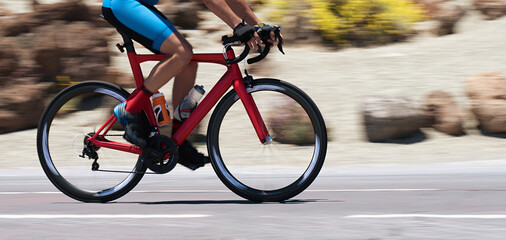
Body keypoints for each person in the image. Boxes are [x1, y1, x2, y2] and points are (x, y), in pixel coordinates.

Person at [101, 0, 277, 170]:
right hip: (123, 4)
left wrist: (260, 27)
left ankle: (177, 139)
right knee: (182, 52)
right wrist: (239, 26)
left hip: (136, 5)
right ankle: (130, 108)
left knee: (188, 62)